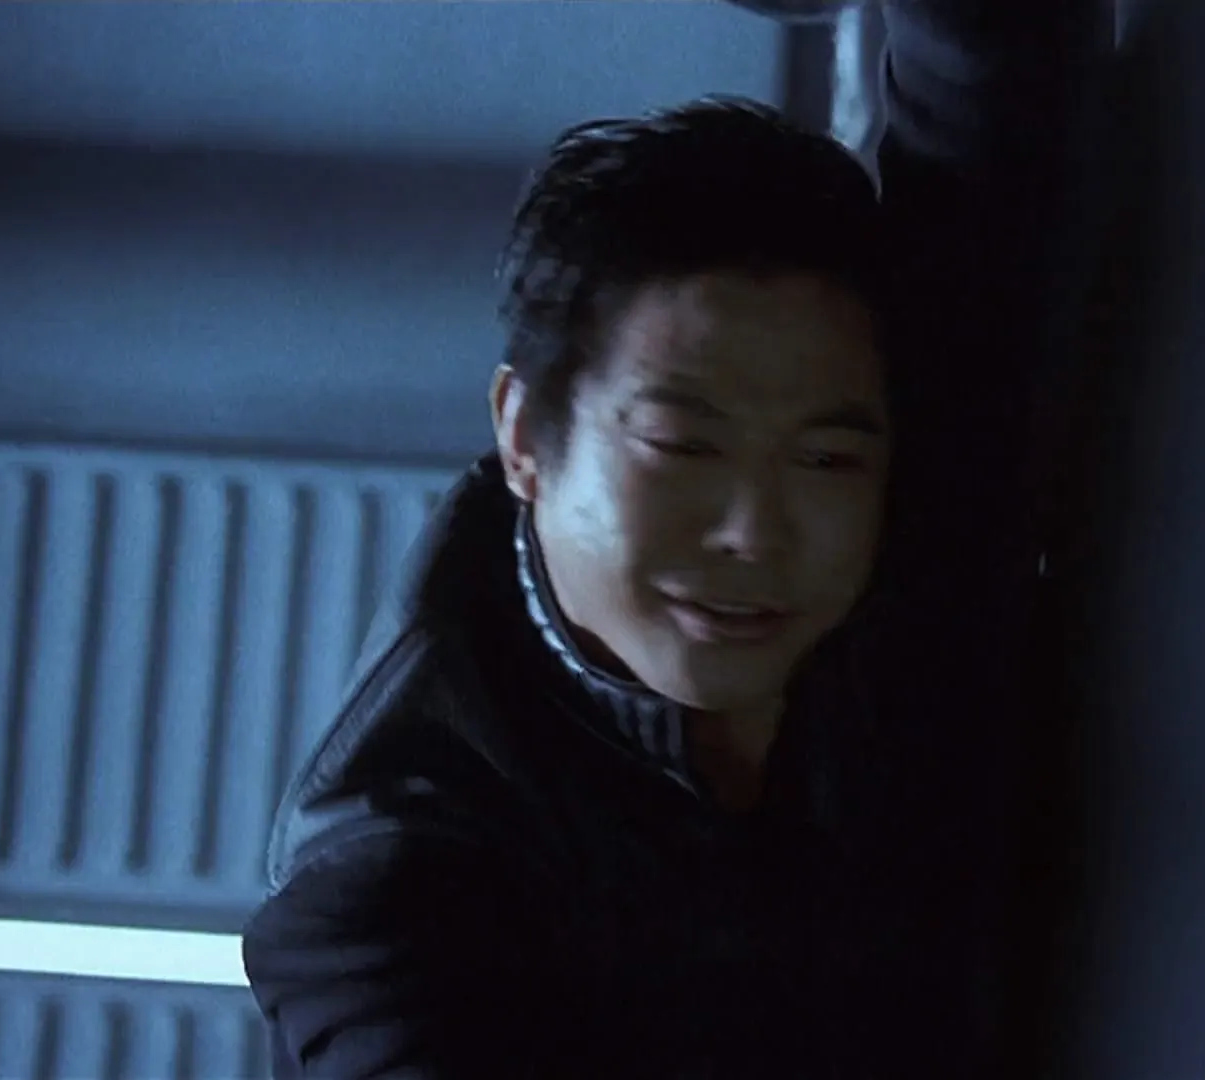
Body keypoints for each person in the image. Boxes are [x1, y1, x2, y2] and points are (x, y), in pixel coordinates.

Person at [243, 97, 980, 1078]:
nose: (754, 533)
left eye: (825, 459)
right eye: (682, 446)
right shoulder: (390, 896)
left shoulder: (902, 500)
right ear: (521, 435)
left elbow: (987, 126)